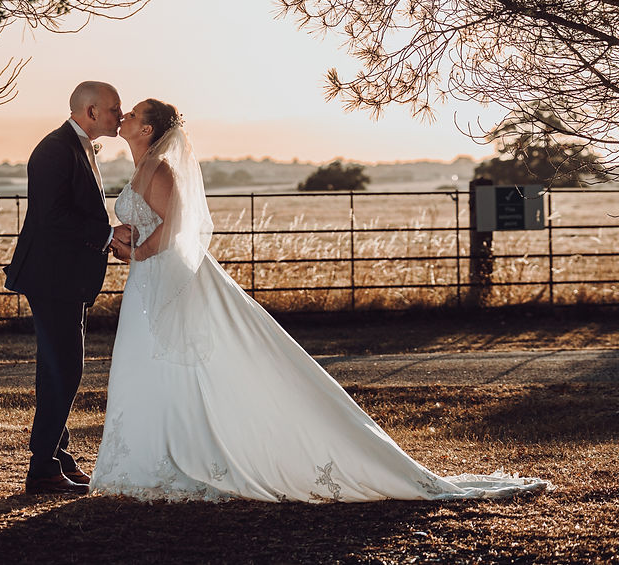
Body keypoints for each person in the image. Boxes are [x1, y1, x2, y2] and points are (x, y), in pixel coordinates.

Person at [91, 99, 551, 502]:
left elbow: (174, 234)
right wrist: (131, 242)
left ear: (147, 129)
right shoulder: (141, 166)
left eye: (131, 113)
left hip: (163, 276)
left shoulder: (161, 169)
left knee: (182, 360)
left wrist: (131, 248)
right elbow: (154, 227)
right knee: (148, 365)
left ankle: (180, 456)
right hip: (148, 281)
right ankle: (154, 453)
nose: (124, 115)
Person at [4, 81, 131, 495]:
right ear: (91, 111)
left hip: (63, 277)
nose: (120, 114)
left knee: (56, 368)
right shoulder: (56, 149)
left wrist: (106, 237)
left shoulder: (77, 146)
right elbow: (52, 217)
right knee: (66, 368)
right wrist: (107, 236)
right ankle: (42, 469)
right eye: (114, 109)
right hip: (51, 276)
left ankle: (58, 457)